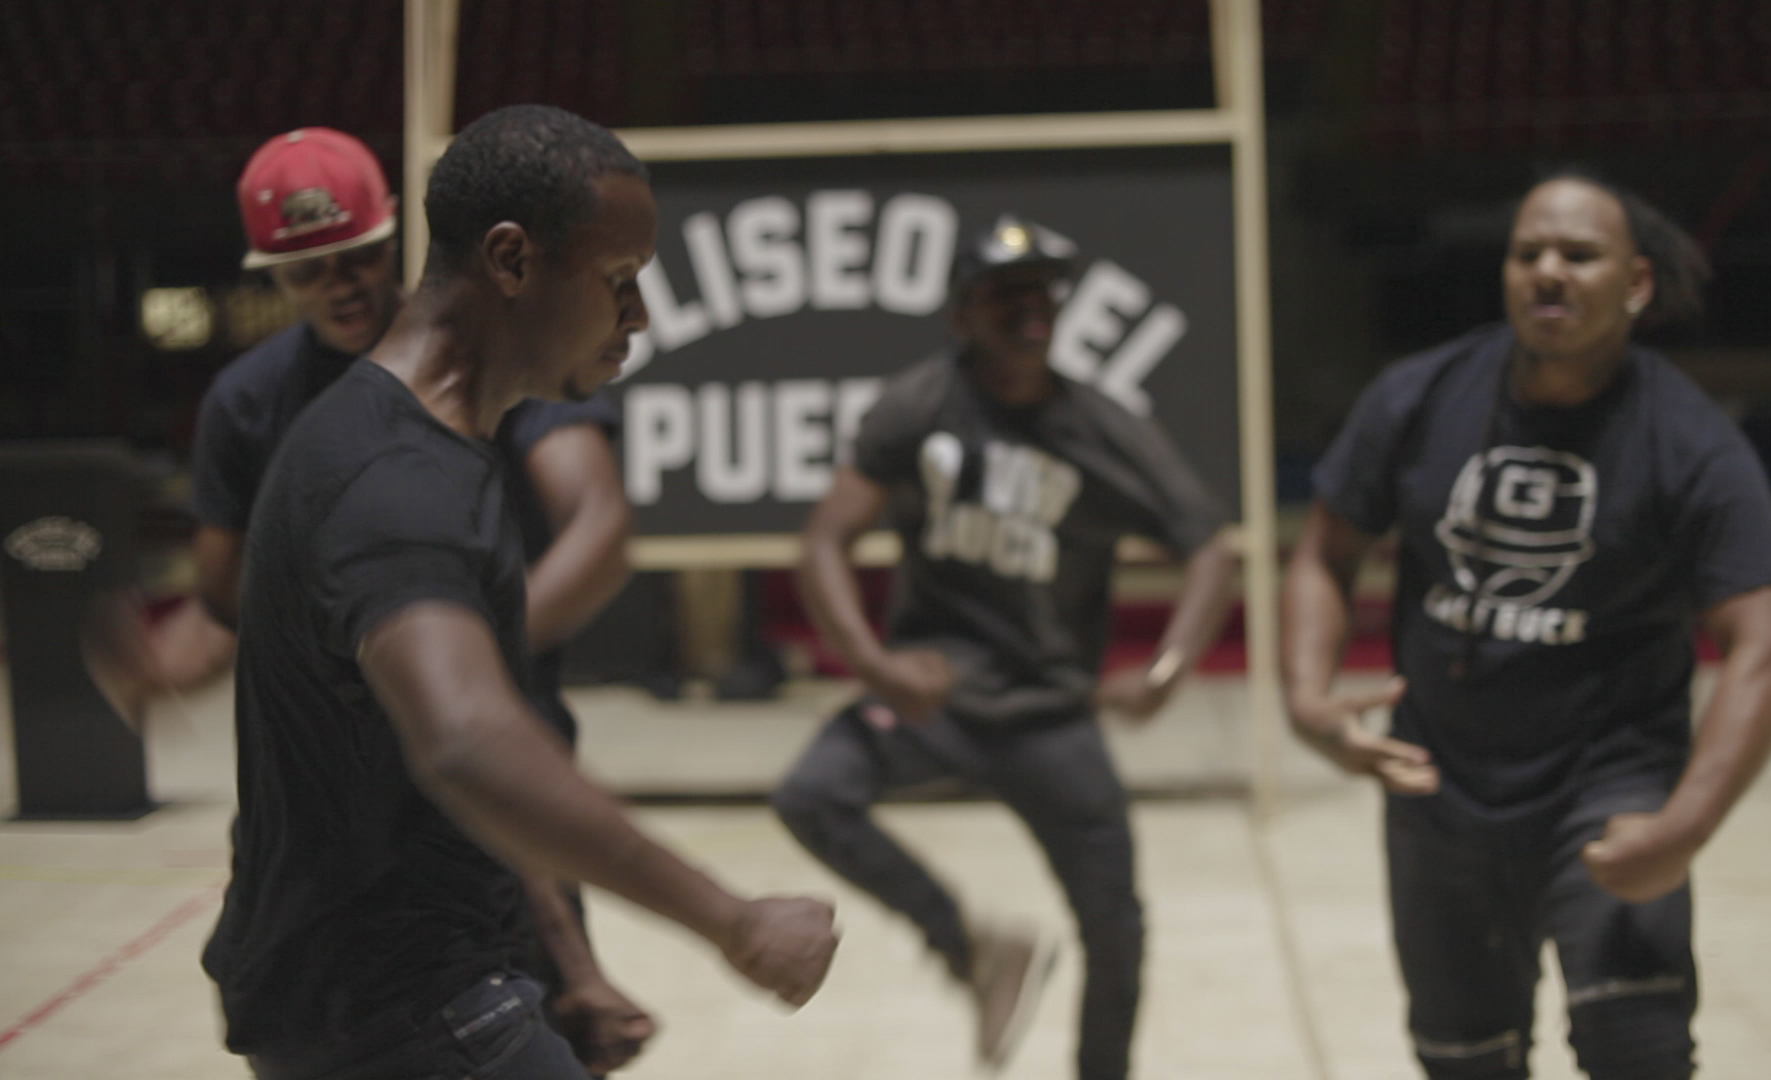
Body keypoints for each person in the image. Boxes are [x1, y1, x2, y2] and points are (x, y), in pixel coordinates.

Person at [200, 105, 837, 1079]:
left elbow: (451, 769)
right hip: (397, 1011)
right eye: (619, 278)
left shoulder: (417, 444)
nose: (639, 315)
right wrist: (733, 921)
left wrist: (566, 965)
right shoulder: (395, 485)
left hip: (395, 990)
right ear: (510, 260)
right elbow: (468, 744)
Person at [93, 126, 652, 1075]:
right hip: (359, 869)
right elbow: (232, 605)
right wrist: (169, 663)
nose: (341, 285)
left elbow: (598, 534)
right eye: (308, 271)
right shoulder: (254, 406)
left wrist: (454, 661)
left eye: (357, 256)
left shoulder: (509, 349)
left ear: (396, 235)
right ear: (270, 275)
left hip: (500, 809)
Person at [1281, 173, 1771, 1079]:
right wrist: (1306, 698)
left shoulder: (1687, 439)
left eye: (1578, 254)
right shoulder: (1419, 396)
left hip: (1609, 785)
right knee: (1464, 1059)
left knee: (1635, 1050)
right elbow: (1325, 552)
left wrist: (1687, 825)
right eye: (1528, 254)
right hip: (1438, 787)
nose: (1548, 272)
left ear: (1635, 283)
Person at [772, 216, 1240, 1080]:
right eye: (1006, 294)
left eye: (1044, 293)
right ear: (963, 314)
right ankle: (973, 946)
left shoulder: (1102, 428)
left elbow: (1209, 548)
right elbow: (825, 540)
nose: (1032, 310)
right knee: (812, 795)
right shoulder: (920, 404)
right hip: (935, 692)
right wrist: (873, 664)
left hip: (1050, 710)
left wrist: (1168, 670)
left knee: (1116, 926)